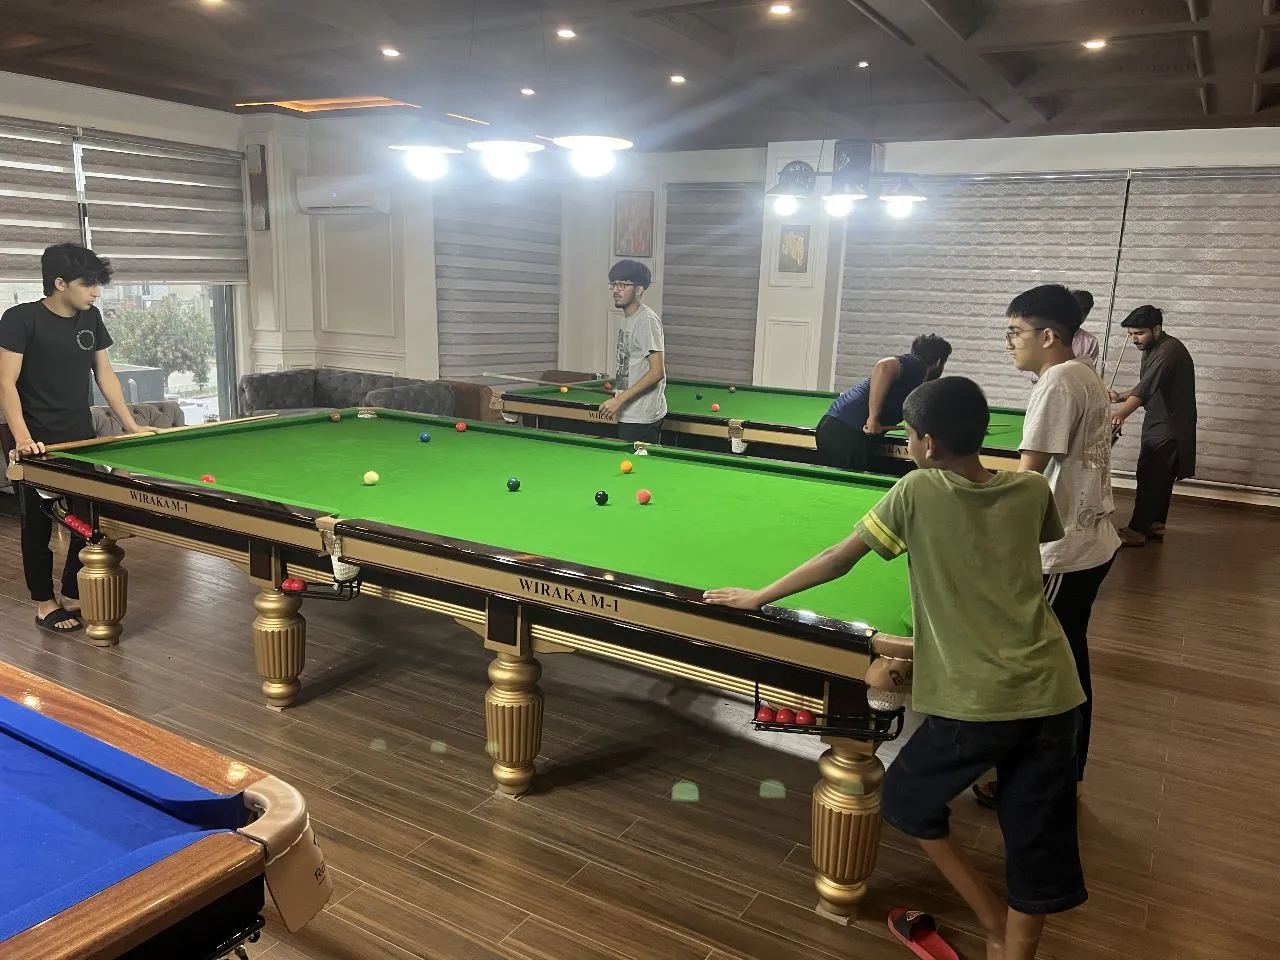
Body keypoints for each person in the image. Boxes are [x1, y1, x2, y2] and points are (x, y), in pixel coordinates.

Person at [706, 376, 1086, 960]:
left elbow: (839, 558)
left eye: (908, 435)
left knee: (908, 798)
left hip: (978, 697)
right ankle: (1011, 950)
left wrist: (759, 596)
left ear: (927, 443)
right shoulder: (1032, 489)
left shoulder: (917, 489)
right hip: (1055, 690)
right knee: (1035, 842)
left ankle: (991, 923)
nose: (907, 444)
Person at [972, 284, 1120, 809]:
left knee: (1044, 668)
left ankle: (1041, 783)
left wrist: (969, 501)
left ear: (1049, 335)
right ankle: (1064, 775)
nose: (1009, 342)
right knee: (1068, 660)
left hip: (1064, 550)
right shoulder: (1083, 373)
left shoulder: (1057, 381)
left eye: (1015, 332)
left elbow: (1029, 476)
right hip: (1090, 541)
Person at [0, 243, 146, 633]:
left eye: (98, 283)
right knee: (37, 527)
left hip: (80, 437)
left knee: (89, 518)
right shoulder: (20, 319)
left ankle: (69, 590)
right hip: (34, 441)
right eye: (88, 283)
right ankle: (44, 604)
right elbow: (5, 383)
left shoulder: (90, 317)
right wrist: (23, 439)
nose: (95, 291)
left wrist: (130, 425)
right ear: (60, 283)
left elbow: (105, 374)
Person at [1109, 304, 1197, 547]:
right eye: (1130, 334)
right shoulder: (1154, 347)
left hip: (1169, 426)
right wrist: (1119, 397)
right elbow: (1147, 385)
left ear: (1156, 329)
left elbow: (1145, 389)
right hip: (1161, 422)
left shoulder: (1169, 350)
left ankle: (1137, 531)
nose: (1134, 339)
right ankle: (1155, 525)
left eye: (1139, 333)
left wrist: (1121, 414)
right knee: (1160, 478)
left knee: (1151, 477)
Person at [815, 334, 952, 471]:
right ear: (939, 362)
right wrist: (873, 418)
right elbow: (884, 366)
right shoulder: (917, 364)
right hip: (845, 432)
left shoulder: (916, 379)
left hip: (837, 429)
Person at [599, 260, 666, 444]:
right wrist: (620, 391)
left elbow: (657, 372)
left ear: (639, 289)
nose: (615, 290)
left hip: (641, 417)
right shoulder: (628, 319)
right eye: (613, 284)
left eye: (622, 285)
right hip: (629, 412)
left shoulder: (646, 320)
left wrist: (619, 399)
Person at [1020, 289, 1100, 383]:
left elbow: (1089, 376)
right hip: (1043, 387)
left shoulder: (1090, 341)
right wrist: (1053, 376)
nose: (1078, 318)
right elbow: (1026, 368)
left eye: (1084, 314)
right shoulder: (1043, 334)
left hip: (1074, 390)